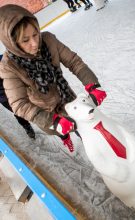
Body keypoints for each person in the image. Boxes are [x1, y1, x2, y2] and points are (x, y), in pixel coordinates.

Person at [0, 4, 107, 152]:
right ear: (12, 43)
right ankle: (65, 138)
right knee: (61, 130)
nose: (34, 43)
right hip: (45, 112)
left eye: (35, 34)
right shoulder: (8, 66)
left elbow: (74, 62)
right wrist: (53, 121)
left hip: (67, 97)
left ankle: (91, 143)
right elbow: (18, 104)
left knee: (83, 127)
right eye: (25, 40)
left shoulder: (49, 40)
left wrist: (92, 84)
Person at [0, 54, 35, 139]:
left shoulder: (3, 59)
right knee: (18, 111)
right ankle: (27, 126)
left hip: (16, 89)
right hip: (3, 97)